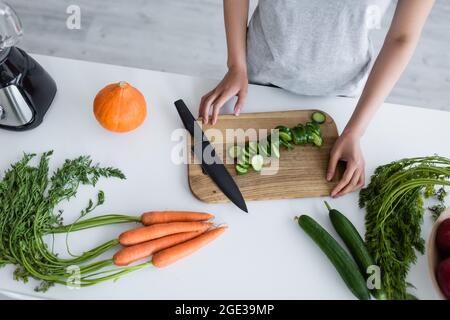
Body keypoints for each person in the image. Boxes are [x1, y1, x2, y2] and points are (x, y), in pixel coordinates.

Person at [198, 0, 434, 197]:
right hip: (257, 80)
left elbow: (402, 38)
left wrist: (355, 131)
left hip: (342, 98)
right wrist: (236, 64)